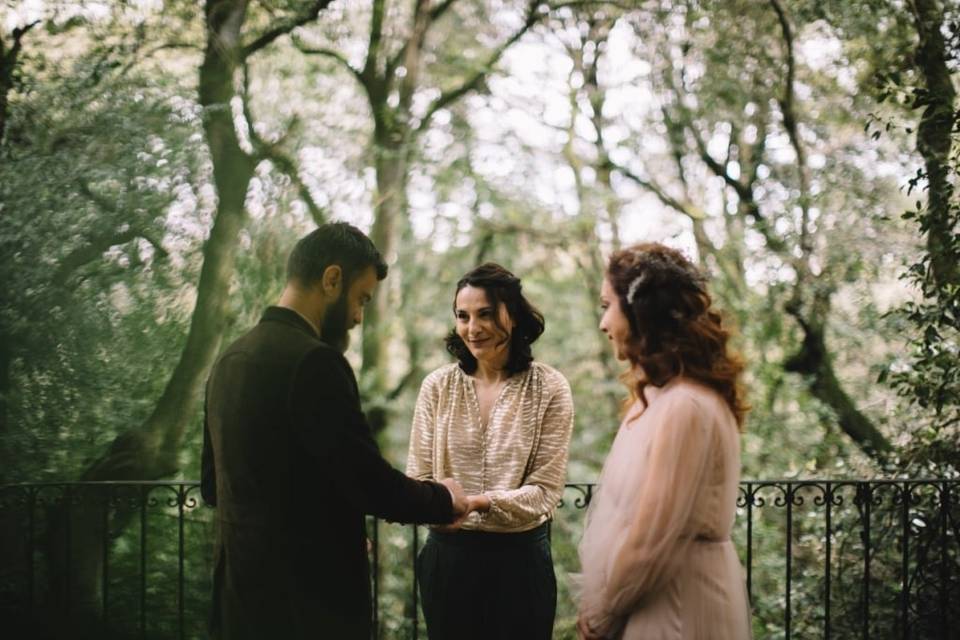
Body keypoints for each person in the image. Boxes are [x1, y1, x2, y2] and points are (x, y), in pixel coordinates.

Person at [201, 222, 470, 640]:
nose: (360, 317)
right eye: (361, 299)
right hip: (308, 608)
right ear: (331, 280)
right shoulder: (315, 363)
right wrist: (444, 498)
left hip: (238, 603)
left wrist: (339, 527)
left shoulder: (229, 361)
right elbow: (369, 482)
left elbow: (213, 487)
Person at [576, 243, 752, 640]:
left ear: (641, 314)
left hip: (679, 608)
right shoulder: (659, 401)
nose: (603, 323)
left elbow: (650, 541)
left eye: (608, 306)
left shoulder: (686, 407)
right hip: (651, 601)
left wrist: (604, 612)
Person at [406, 263, 575, 640]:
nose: (472, 328)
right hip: (447, 561)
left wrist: (480, 502)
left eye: (485, 314)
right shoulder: (437, 386)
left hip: (520, 564)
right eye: (462, 316)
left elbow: (545, 492)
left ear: (513, 316)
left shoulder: (549, 387)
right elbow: (417, 476)